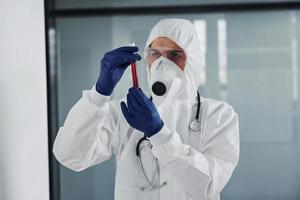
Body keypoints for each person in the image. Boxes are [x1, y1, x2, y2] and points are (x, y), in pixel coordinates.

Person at [53, 18, 240, 200]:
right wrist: (98, 95)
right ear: (147, 59)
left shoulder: (220, 115)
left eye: (174, 55)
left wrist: (159, 134)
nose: (162, 63)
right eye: (155, 54)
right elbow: (70, 156)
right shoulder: (125, 111)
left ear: (192, 60)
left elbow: (208, 186)